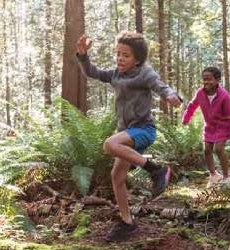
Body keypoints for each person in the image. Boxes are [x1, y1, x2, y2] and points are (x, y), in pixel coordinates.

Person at [75, 31, 182, 242]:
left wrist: (171, 95)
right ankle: (127, 222)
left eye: (126, 55)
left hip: (143, 129)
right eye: (118, 54)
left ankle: (157, 170)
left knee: (109, 144)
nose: (120, 58)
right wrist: (83, 56)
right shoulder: (116, 74)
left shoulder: (145, 73)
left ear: (138, 59)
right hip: (126, 132)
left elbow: (160, 86)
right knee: (117, 177)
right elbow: (92, 72)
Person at [182, 67, 230, 188]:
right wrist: (186, 118)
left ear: (217, 80)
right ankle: (213, 175)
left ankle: (227, 176)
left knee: (218, 149)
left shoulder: (224, 96)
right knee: (207, 150)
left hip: (223, 126)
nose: (206, 82)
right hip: (209, 127)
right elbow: (192, 106)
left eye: (209, 79)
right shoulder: (200, 93)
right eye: (204, 79)